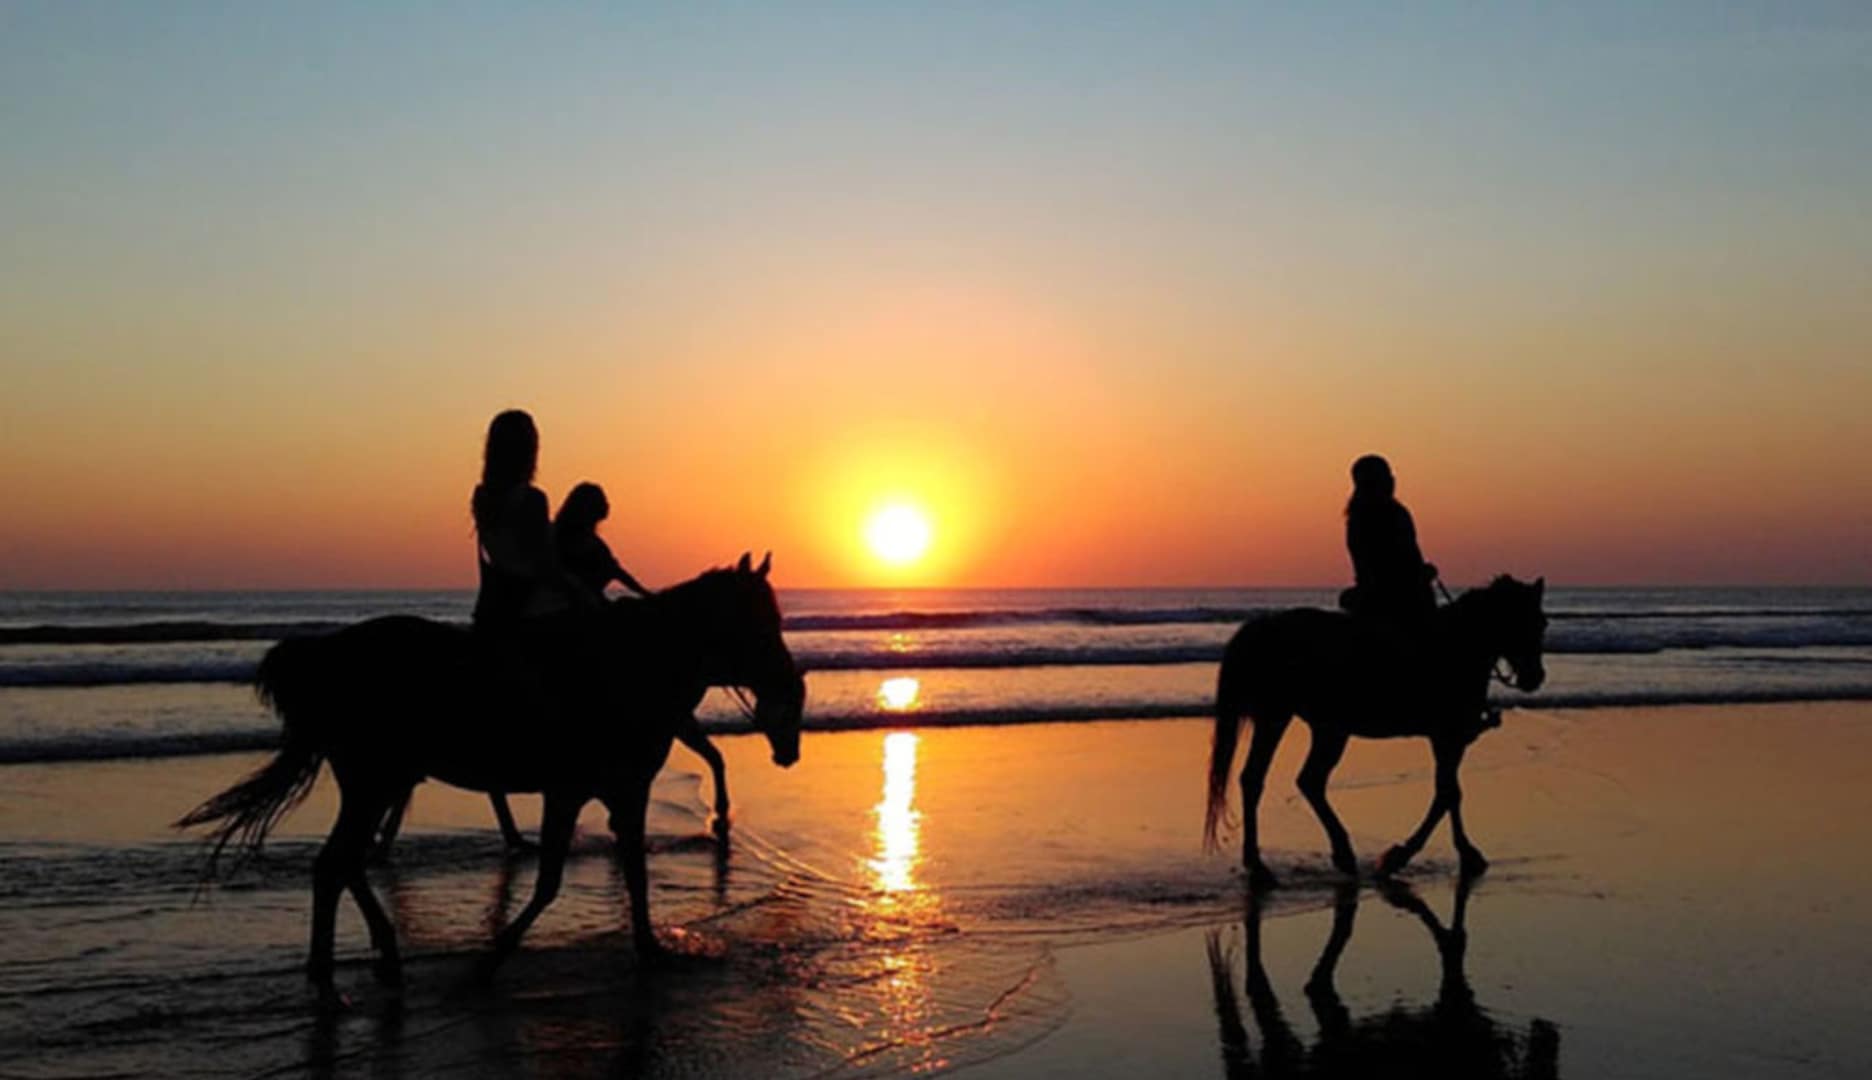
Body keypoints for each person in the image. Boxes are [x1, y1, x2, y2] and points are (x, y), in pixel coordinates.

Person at [1337, 454, 1438, 623]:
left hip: (1377, 592)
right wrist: (1424, 573)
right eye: (1385, 478)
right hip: (1395, 597)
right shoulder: (1387, 514)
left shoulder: (1358, 516)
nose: (1392, 482)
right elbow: (1391, 565)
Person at [553, 482, 653, 603]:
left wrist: (644, 593)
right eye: (601, 501)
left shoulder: (595, 542)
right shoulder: (563, 537)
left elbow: (616, 571)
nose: (606, 505)